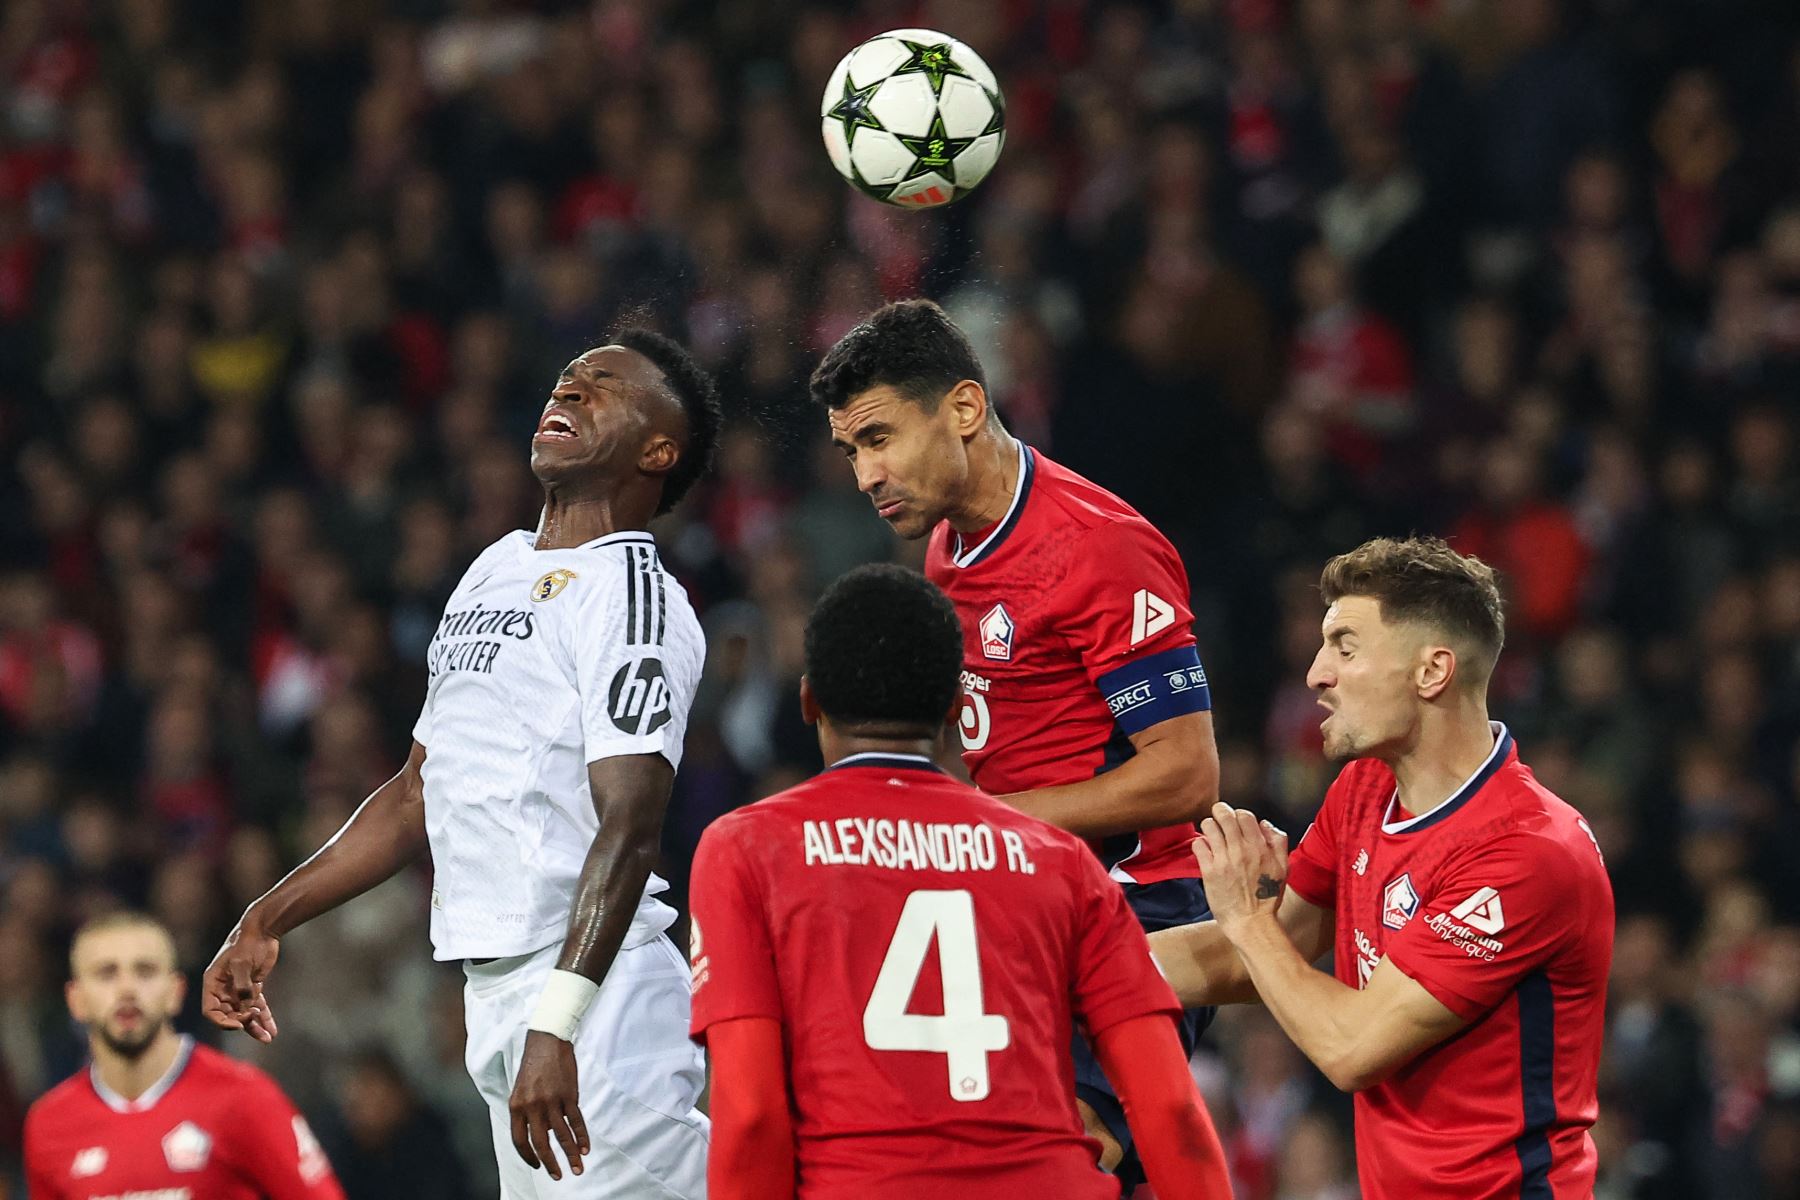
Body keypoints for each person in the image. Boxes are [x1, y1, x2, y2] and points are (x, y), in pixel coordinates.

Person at [202, 330, 723, 1198]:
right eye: (567, 378)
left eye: (604, 387)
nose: (571, 390)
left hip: (595, 1002)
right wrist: (267, 917)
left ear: (659, 450)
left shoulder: (633, 596)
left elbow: (632, 826)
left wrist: (559, 1024)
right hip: (501, 997)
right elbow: (416, 792)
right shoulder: (495, 568)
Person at [811, 298, 1221, 1180]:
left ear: (962, 409)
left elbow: (1186, 774)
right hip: (1028, 893)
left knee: (1060, 1153)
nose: (865, 475)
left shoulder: (1097, 547)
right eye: (852, 451)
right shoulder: (948, 547)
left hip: (1133, 902)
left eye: (879, 438)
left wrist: (993, 823)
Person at [689, 563, 1232, 1200]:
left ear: (810, 701)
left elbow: (750, 1113)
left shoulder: (746, 849)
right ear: (955, 705)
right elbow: (1168, 1107)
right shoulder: (1062, 861)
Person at [1150, 536, 1614, 1198]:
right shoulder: (1365, 790)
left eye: (1344, 646)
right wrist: (1077, 970)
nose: (1315, 673)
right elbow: (1258, 956)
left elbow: (1350, 1048)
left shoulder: (1530, 852)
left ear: (1432, 672)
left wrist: (1246, 919)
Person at [25, 911, 346, 1199]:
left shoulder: (243, 1099)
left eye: (145, 971)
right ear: (76, 999)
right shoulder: (49, 1125)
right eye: (107, 973)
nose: (127, 989)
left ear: (176, 992)